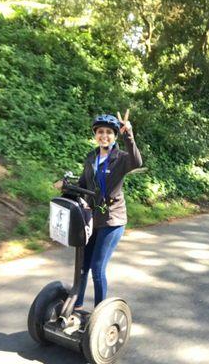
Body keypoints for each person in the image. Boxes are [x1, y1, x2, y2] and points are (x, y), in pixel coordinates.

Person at [70, 111, 142, 311]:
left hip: (113, 220)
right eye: (100, 132)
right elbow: (83, 183)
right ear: (95, 134)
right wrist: (67, 186)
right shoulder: (91, 157)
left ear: (115, 135)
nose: (104, 136)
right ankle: (75, 306)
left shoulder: (121, 158)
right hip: (92, 218)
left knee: (97, 268)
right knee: (83, 265)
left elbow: (137, 162)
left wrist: (129, 134)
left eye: (109, 132)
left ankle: (99, 313)